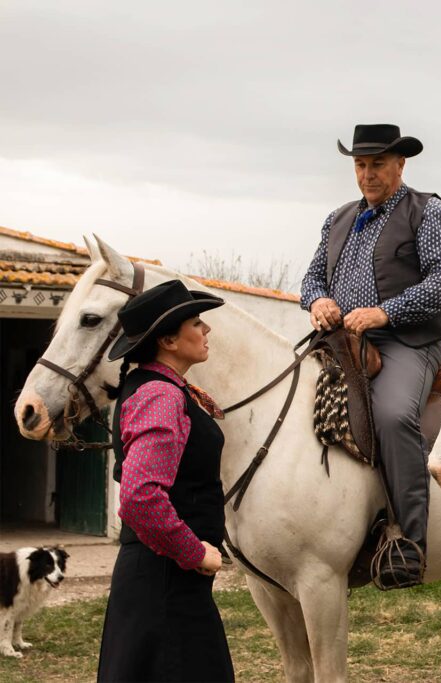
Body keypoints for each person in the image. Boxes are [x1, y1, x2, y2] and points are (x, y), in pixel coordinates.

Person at [300, 123, 441, 588]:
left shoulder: (428, 212)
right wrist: (318, 301)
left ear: (400, 164)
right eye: (360, 164)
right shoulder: (337, 219)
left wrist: (384, 313)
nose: (367, 174)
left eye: (377, 164)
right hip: (339, 343)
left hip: (407, 343)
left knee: (393, 415)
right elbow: (312, 278)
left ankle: (409, 545)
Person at [97, 279, 234, 682]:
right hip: (165, 584)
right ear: (168, 340)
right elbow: (140, 498)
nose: (206, 330)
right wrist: (194, 552)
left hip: (166, 582)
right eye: (196, 322)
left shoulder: (166, 389)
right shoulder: (162, 396)